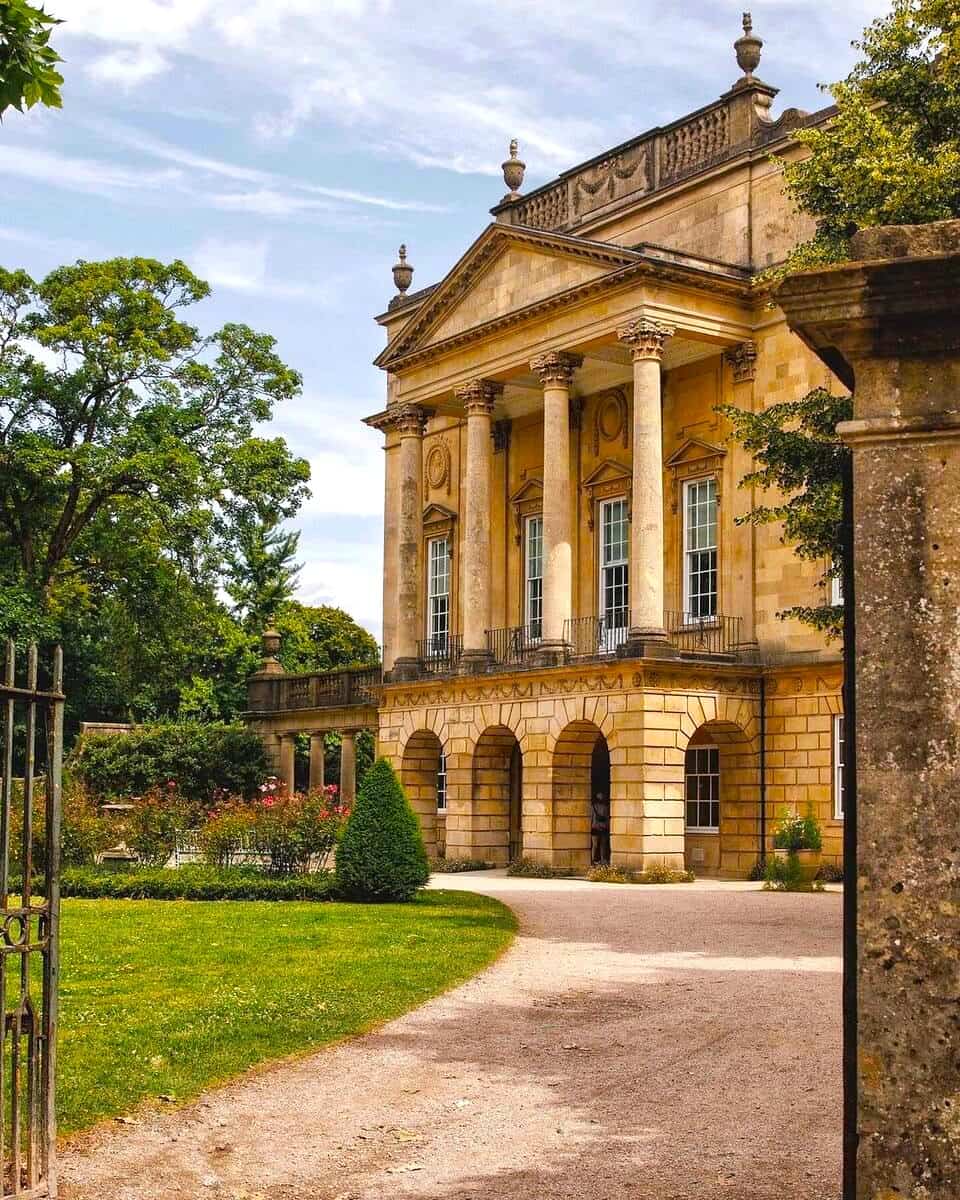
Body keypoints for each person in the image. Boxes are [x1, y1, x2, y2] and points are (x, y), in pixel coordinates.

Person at [591, 792, 610, 865]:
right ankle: (602, 859)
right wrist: (607, 826)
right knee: (603, 845)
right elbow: (607, 818)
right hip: (603, 827)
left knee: (595, 845)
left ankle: (593, 859)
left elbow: (591, 818)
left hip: (595, 827)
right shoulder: (606, 807)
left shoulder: (593, 807)